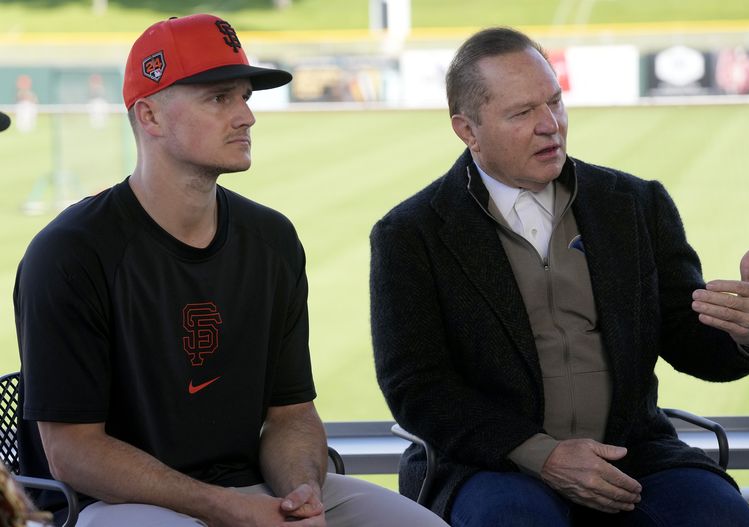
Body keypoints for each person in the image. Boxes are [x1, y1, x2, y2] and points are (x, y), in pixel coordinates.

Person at [14, 13, 448, 527]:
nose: (246, 116)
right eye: (220, 98)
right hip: (112, 505)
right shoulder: (68, 252)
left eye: (244, 96)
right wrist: (227, 509)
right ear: (149, 116)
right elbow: (73, 451)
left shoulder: (272, 239)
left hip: (251, 488)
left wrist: (301, 495)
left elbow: (291, 415)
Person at [369, 26, 749, 527]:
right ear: (467, 131)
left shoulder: (634, 205)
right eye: (523, 112)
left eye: (555, 102)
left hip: (631, 454)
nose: (551, 125)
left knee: (720, 516)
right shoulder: (409, 234)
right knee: (516, 521)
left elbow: (689, 340)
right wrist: (541, 454)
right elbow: (417, 387)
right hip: (488, 464)